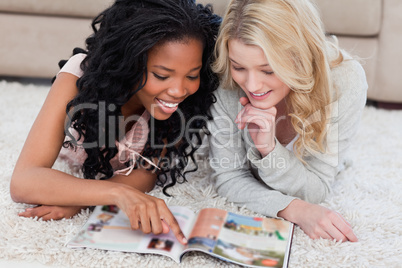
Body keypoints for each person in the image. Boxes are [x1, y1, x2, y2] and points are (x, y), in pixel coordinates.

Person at [10, 0, 221, 245]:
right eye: (162, 75)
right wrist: (116, 194)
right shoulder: (79, 78)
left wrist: (79, 201)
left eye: (192, 75)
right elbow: (24, 179)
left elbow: (146, 174)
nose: (178, 90)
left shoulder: (180, 104)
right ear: (128, 62)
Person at [208, 0, 367, 242]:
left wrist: (269, 149)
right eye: (239, 67)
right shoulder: (228, 80)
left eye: (268, 70)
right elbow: (228, 176)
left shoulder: (345, 82)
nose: (251, 85)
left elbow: (316, 189)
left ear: (301, 57)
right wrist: (294, 209)